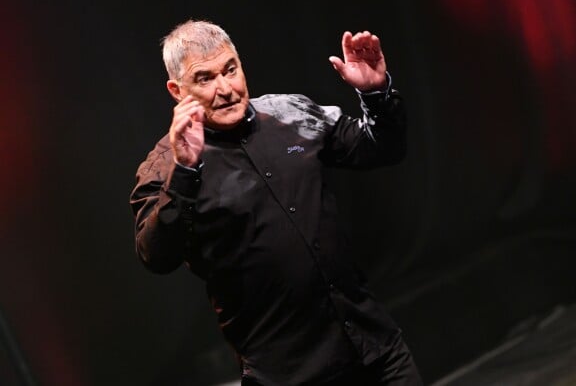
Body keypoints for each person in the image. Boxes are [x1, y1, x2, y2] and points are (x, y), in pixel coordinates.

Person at [130, 19, 422, 385]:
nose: (226, 89)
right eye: (205, 79)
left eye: (231, 70)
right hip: (290, 376)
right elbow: (156, 256)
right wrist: (186, 172)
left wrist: (376, 96)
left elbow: (383, 148)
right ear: (177, 90)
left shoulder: (293, 114)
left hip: (376, 352)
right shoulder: (166, 167)